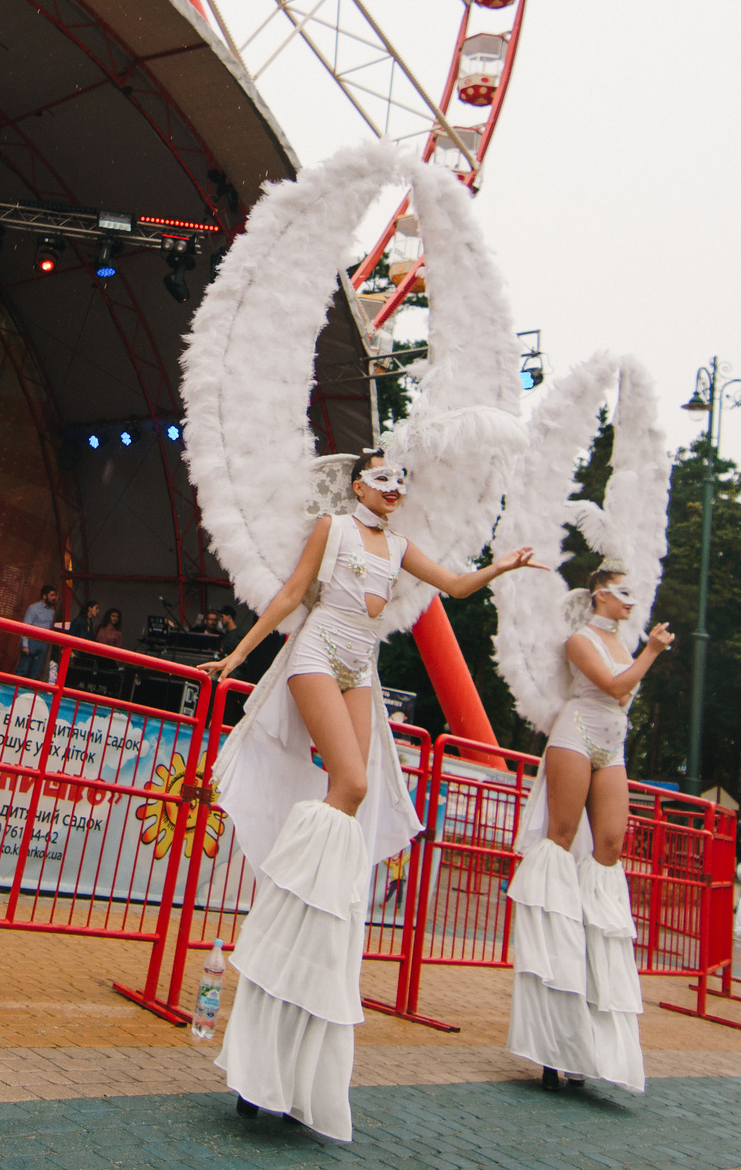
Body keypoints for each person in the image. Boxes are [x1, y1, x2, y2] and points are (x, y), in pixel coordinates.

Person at [203, 455, 542, 1140]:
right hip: (316, 650)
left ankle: (321, 904)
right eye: (383, 478)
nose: (394, 490)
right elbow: (293, 594)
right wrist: (239, 656)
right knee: (352, 782)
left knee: (353, 795)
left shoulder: (401, 547)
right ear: (356, 484)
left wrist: (500, 567)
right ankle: (294, 885)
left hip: (362, 665)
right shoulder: (333, 528)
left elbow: (455, 585)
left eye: (401, 483)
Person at [508, 561, 676, 1096]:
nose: (632, 601)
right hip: (577, 731)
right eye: (624, 592)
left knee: (610, 846)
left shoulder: (621, 644)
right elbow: (611, 684)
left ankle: (594, 987)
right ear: (601, 594)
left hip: (612, 739)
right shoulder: (582, 640)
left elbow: (624, 694)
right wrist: (650, 651)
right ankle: (553, 970)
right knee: (560, 837)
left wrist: (639, 655)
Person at [18, 585, 59, 681]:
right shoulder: (34, 608)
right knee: (22, 670)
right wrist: (25, 645)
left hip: (42, 644)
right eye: (52, 595)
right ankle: (14, 691)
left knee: (35, 673)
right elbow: (25, 626)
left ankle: (29, 694)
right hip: (31, 642)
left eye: (55, 595)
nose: (54, 598)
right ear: (44, 596)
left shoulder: (52, 611)